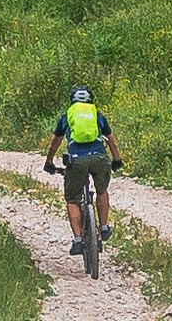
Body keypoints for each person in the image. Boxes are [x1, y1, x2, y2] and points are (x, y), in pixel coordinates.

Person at [42, 85, 123, 251]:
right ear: (90, 100)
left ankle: (78, 239)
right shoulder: (97, 115)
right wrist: (117, 159)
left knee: (72, 199)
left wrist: (49, 161)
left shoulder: (67, 116)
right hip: (99, 157)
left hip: (77, 160)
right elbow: (111, 140)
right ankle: (104, 227)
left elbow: (54, 143)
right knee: (101, 190)